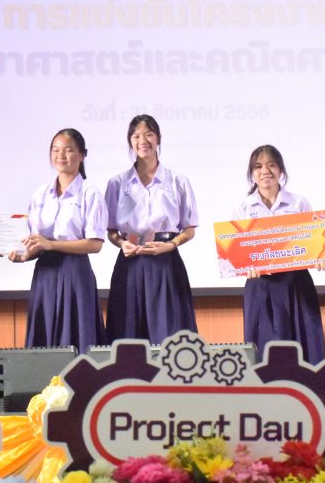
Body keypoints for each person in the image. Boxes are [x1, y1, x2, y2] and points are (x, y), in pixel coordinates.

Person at [11, 129, 107, 353]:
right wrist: (22, 256)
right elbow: (36, 244)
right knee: (44, 344)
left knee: (77, 341)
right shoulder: (41, 194)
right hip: (45, 274)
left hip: (75, 273)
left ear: (82, 155)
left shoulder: (90, 192)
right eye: (55, 150)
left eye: (68, 150)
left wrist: (51, 244)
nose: (60, 155)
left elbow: (95, 244)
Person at [105, 114, 198, 344]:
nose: (142, 141)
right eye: (136, 136)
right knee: (128, 335)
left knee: (170, 335)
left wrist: (171, 245)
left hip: (166, 261)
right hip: (130, 263)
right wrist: (121, 243)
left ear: (158, 138)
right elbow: (111, 231)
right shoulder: (117, 183)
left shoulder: (177, 180)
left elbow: (189, 229)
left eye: (148, 134)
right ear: (130, 141)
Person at [234, 145, 325, 363]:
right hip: (261, 286)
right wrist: (245, 265)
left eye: (271, 165)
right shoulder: (244, 207)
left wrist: (319, 254)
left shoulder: (299, 203)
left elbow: (313, 242)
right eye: (258, 167)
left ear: (281, 170)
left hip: (295, 284)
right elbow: (238, 251)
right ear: (252, 173)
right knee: (264, 353)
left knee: (304, 349)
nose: (265, 171)